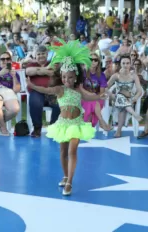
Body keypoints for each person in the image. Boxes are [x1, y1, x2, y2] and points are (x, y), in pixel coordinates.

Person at [25, 39, 107, 196]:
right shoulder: (59, 89)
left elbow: (89, 97)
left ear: (75, 77)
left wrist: (100, 95)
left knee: (72, 152)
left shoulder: (78, 89)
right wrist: (33, 86)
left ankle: (69, 182)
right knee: (62, 152)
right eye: (64, 77)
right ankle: (65, 175)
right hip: (63, 124)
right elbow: (45, 90)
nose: (66, 80)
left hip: (76, 124)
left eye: (70, 77)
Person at [25, 45, 60, 137]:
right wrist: (45, 70)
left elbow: (55, 72)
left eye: (43, 54)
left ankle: (53, 128)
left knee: (59, 103)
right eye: (38, 54)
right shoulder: (31, 64)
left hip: (51, 92)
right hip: (36, 92)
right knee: (36, 102)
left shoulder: (53, 63)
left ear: (47, 54)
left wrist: (39, 71)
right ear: (35, 55)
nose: (41, 56)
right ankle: (37, 129)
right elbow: (29, 72)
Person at [0, 52, 21, 136]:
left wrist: (14, 77)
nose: (5, 61)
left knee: (15, 109)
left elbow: (16, 90)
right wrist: (0, 73)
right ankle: (3, 128)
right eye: (2, 59)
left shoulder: (14, 72)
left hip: (9, 91)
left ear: (11, 61)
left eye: (7, 59)